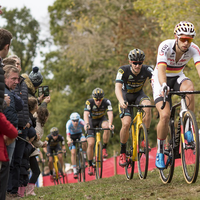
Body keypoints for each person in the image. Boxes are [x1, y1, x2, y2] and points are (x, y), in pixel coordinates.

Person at [151, 21, 200, 169]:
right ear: (176, 37)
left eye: (189, 40)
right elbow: (161, 69)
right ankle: (160, 151)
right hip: (161, 79)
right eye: (183, 39)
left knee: (189, 88)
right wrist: (164, 85)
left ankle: (187, 128)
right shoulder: (165, 46)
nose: (186, 43)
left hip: (178, 76)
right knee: (165, 115)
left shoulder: (194, 49)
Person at [115, 48, 153, 167]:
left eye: (140, 63)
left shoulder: (147, 69)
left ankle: (143, 138)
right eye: (134, 63)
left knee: (148, 106)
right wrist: (121, 100)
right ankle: (122, 152)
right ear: (130, 62)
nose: (137, 66)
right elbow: (117, 87)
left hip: (138, 95)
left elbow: (155, 83)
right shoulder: (122, 70)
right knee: (126, 124)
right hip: (125, 96)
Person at [84, 88, 114, 175]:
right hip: (91, 121)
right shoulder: (89, 102)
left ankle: (104, 147)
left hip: (101, 119)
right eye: (96, 100)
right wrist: (86, 124)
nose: (98, 101)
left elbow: (110, 113)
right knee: (90, 143)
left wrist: (110, 123)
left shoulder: (107, 102)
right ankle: (90, 164)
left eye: (100, 99)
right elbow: (86, 114)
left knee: (106, 126)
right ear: (93, 98)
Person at [26, 103, 49, 196]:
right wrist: (43, 144)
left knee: (31, 171)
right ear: (45, 117)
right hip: (30, 149)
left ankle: (27, 190)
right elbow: (35, 140)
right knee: (36, 171)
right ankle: (29, 191)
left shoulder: (35, 117)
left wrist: (44, 102)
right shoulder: (38, 125)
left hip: (29, 149)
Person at [3, 65, 24, 163]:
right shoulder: (4, 92)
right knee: (6, 167)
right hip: (6, 134)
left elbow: (20, 106)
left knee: (8, 166)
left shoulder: (11, 92)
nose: (16, 82)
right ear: (5, 78)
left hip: (10, 132)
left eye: (18, 79)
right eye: (13, 79)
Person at [66, 112, 87, 179]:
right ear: (71, 120)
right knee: (73, 153)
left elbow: (86, 127)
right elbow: (68, 135)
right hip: (72, 136)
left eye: (77, 120)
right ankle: (74, 170)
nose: (75, 122)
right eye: (74, 121)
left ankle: (84, 155)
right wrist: (69, 140)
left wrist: (87, 134)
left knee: (84, 141)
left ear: (79, 119)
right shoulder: (69, 124)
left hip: (79, 134)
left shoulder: (81, 122)